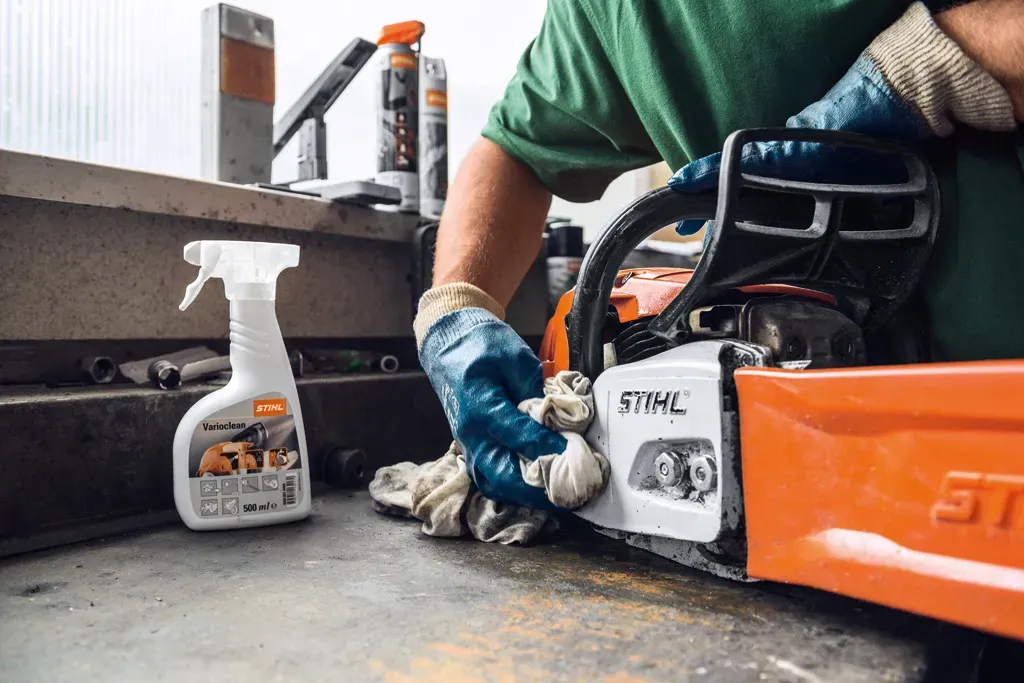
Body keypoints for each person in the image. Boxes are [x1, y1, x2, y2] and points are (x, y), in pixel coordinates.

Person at [414, 0, 1024, 510]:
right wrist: (454, 310)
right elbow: (515, 152)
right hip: (821, 461)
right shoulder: (605, 12)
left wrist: (933, 63)